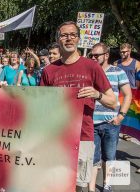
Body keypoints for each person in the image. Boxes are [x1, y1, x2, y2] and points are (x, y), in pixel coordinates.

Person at [40, 21, 117, 192]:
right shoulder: (49, 71)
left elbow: (113, 102)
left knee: (79, 187)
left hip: (83, 138)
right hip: (57, 139)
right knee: (56, 186)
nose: (68, 38)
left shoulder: (92, 66)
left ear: (78, 39)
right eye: (64, 35)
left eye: (73, 35)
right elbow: (39, 107)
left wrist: (97, 94)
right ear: (58, 39)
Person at [88, 43, 132, 192]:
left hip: (111, 123)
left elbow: (128, 94)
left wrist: (121, 116)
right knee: (92, 158)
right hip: (91, 123)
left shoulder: (118, 71)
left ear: (106, 55)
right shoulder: (88, 72)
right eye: (91, 55)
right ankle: (91, 188)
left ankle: (107, 185)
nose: (93, 58)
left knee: (109, 156)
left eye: (96, 55)